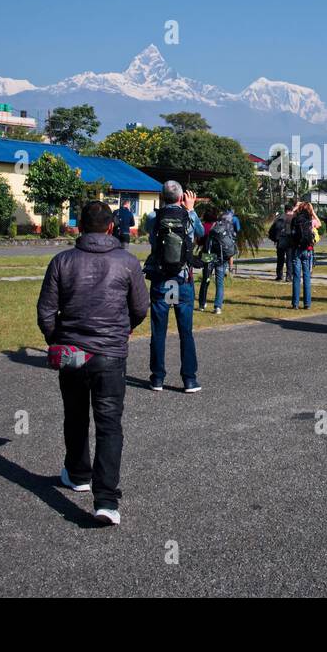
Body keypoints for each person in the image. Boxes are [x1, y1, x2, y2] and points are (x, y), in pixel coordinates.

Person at [37, 200, 148, 525]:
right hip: (110, 354)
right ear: (112, 227)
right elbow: (140, 307)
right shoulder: (127, 262)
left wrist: (57, 339)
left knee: (75, 416)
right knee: (109, 424)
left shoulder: (62, 261)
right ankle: (106, 500)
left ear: (79, 226)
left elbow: (45, 311)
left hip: (72, 352)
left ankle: (78, 472)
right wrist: (121, 331)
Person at [143, 181, 202, 392]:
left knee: (158, 331)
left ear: (162, 197)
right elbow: (201, 233)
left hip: (161, 280)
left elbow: (146, 230)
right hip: (182, 279)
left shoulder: (153, 218)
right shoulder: (188, 217)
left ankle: (157, 378)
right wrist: (191, 209)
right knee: (185, 332)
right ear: (181, 197)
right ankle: (189, 380)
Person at [198, 206, 237, 314]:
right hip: (221, 256)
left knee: (205, 280)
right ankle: (217, 307)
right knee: (219, 282)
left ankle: (202, 304)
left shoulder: (204, 226)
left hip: (208, 255)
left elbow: (199, 242)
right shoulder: (222, 226)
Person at [288, 200, 321, 310]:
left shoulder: (295, 219)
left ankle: (295, 303)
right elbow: (319, 223)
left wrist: (296, 207)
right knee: (306, 276)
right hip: (307, 250)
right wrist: (313, 212)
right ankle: (307, 303)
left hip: (296, 249)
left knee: (296, 276)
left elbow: (289, 219)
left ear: (300, 209)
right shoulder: (310, 220)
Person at [268, 204, 293, 281]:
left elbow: (271, 230)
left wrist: (275, 239)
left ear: (285, 210)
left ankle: (279, 276)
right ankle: (289, 276)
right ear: (291, 210)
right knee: (289, 259)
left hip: (280, 241)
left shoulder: (279, 217)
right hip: (290, 241)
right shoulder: (293, 218)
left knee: (280, 259)